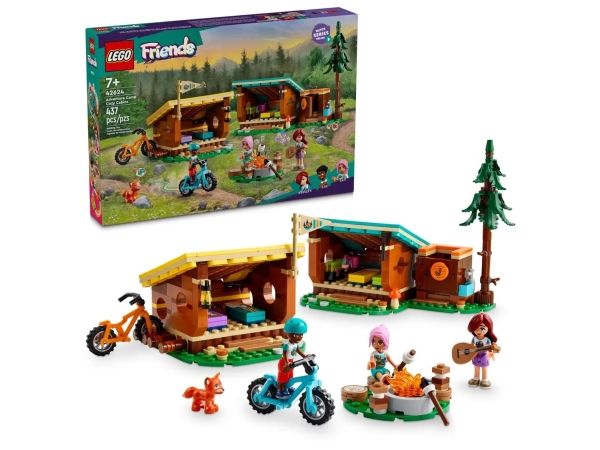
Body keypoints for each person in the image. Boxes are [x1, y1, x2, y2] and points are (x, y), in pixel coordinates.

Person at [277, 317, 308, 398]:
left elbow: (298, 351)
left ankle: (287, 387)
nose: (299, 337)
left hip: (291, 361)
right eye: (296, 335)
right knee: (283, 377)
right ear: (288, 334)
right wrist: (286, 363)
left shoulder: (295, 344)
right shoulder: (287, 345)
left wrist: (305, 356)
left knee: (290, 376)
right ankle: (280, 390)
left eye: (301, 335)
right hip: (284, 362)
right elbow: (284, 354)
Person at [467, 313, 498, 389]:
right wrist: (469, 352)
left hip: (484, 355)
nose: (478, 331)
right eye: (475, 328)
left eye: (482, 328)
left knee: (484, 367)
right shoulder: (474, 338)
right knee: (476, 366)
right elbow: (470, 346)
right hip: (475, 355)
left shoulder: (487, 340)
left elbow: (490, 348)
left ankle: (484, 379)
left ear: (488, 328)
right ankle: (476, 378)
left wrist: (492, 354)